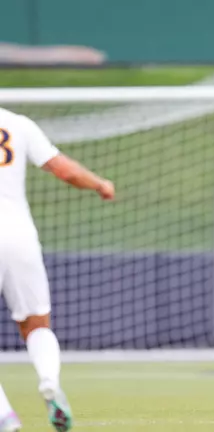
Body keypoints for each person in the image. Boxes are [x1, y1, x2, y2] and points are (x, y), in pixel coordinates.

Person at [0, 107, 114, 431]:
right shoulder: (17, 124)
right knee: (37, 323)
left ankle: (5, 418)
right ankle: (50, 381)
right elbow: (62, 169)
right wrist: (99, 183)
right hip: (19, 235)